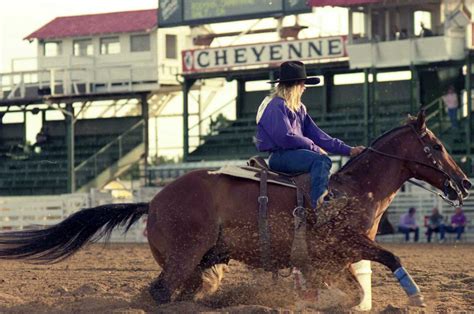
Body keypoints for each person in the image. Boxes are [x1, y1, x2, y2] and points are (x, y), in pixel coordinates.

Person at [255, 61, 365, 208]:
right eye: (302, 84)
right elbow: (285, 138)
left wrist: (348, 150)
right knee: (321, 160)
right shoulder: (275, 106)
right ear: (294, 86)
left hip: (294, 155)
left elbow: (318, 135)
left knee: (321, 159)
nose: (304, 88)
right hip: (280, 157)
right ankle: (319, 206)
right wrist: (314, 148)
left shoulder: (299, 108)